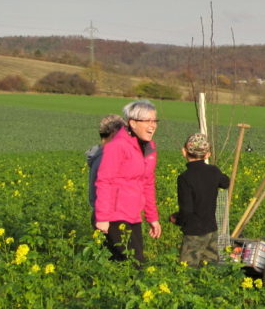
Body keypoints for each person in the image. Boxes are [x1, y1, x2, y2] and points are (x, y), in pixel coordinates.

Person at [94, 99, 163, 263]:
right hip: (114, 216)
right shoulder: (117, 146)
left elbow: (147, 183)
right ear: (132, 123)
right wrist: (103, 217)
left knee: (125, 263)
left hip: (134, 215)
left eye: (155, 121)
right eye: (147, 121)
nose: (152, 125)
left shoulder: (148, 147)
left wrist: (152, 217)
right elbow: (104, 181)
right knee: (136, 263)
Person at [171, 133, 230, 268]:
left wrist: (177, 219)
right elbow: (225, 183)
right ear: (207, 154)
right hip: (211, 229)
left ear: (184, 151)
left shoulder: (184, 178)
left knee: (187, 270)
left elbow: (186, 210)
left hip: (193, 232)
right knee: (209, 270)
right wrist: (214, 172)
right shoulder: (214, 171)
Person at [86, 114, 126, 224]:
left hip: (101, 215)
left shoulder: (98, 155)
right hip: (111, 217)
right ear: (114, 135)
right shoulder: (108, 159)